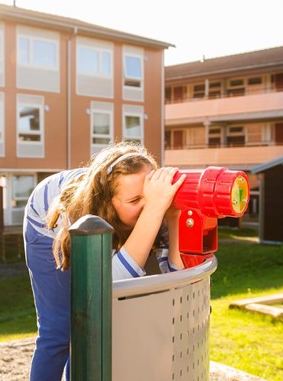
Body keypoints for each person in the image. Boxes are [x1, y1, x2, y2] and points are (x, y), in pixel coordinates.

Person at [23, 141, 186, 381]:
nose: (147, 206)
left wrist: (173, 217)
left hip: (105, 219)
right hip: (48, 226)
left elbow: (176, 277)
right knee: (59, 331)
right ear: (107, 202)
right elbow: (106, 285)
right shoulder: (87, 210)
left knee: (98, 329)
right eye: (134, 201)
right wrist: (153, 209)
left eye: (149, 196)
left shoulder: (155, 202)